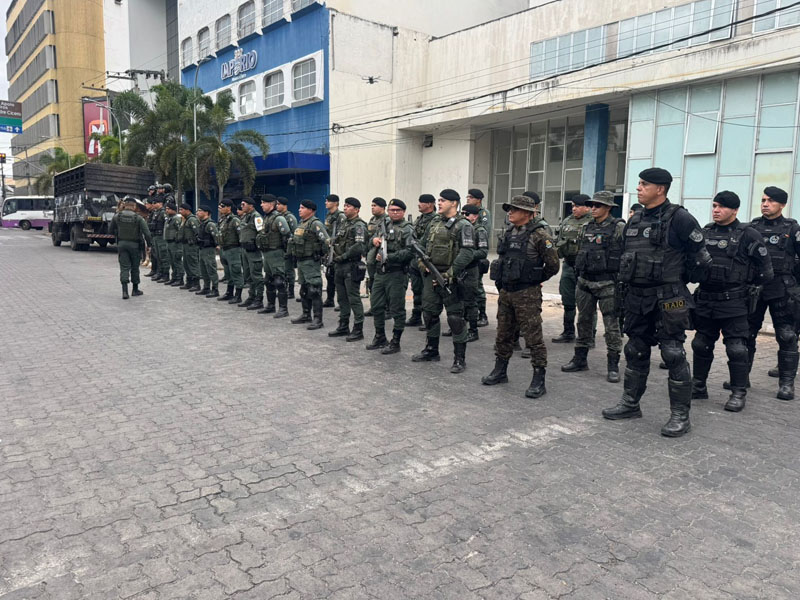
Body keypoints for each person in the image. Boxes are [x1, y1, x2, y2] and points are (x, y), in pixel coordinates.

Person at [602, 168, 710, 438]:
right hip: (637, 296)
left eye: (644, 184)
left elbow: (702, 259)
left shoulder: (680, 218)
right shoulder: (635, 219)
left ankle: (680, 416)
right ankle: (630, 404)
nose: (638, 188)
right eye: (638, 183)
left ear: (660, 189)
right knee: (635, 350)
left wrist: (682, 280)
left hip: (669, 297)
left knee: (672, 353)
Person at [690, 191, 773, 412]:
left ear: (734, 210)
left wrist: (744, 287)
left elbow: (766, 271)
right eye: (714, 205)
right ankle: (698, 386)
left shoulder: (749, 234)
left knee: (736, 348)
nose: (716, 210)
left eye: (722, 207)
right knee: (700, 344)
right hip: (706, 299)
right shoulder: (705, 232)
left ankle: (738, 392)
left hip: (734, 302)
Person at [482, 194, 560, 397]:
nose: (510, 213)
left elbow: (553, 265)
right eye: (509, 209)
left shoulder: (540, 235)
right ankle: (500, 370)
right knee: (503, 333)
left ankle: (538, 379)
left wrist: (534, 278)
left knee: (533, 337)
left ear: (527, 213)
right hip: (507, 291)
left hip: (527, 293)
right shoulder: (508, 233)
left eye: (514, 209)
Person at [561, 191, 625, 383]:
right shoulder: (586, 227)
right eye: (592, 205)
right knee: (583, 321)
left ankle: (613, 365)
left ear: (608, 208)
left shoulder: (618, 227)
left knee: (611, 326)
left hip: (607, 283)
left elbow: (626, 254)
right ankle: (580, 359)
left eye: (597, 205)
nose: (593, 208)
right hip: (585, 281)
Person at [744, 186, 800, 400]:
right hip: (755, 289)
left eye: (771, 201)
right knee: (746, 333)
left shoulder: (793, 228)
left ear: (782, 204)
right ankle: (741, 379)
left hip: (782, 289)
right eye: (763, 199)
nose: (765, 204)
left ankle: (786, 384)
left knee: (786, 336)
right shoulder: (752, 227)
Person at [412, 189, 475, 373]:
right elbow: (421, 245)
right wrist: (421, 264)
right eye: (438, 200)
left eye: (443, 200)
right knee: (430, 314)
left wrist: (450, 274)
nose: (439, 203)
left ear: (454, 203)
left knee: (455, 318)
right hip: (431, 275)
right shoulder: (434, 222)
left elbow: (467, 252)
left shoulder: (464, 225)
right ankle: (431, 350)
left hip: (451, 279)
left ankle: (459, 359)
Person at [366, 199, 414, 354]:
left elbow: (410, 251)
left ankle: (395, 341)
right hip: (380, 273)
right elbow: (370, 240)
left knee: (397, 309)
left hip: (396, 274)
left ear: (403, 212)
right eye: (391, 210)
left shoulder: (408, 229)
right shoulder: (383, 225)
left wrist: (389, 257)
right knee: (376, 305)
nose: (394, 212)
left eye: (397, 210)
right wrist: (373, 240)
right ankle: (380, 337)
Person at [552, 194, 593, 343]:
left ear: (587, 207)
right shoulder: (567, 221)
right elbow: (558, 242)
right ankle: (568, 332)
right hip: (568, 265)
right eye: (573, 206)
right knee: (568, 300)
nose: (574, 208)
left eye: (577, 206)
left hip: (585, 268)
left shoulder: (592, 222)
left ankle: (588, 336)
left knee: (587, 304)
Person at [329, 197, 368, 341]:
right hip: (339, 266)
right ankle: (343, 325)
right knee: (342, 298)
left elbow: (359, 247)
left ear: (357, 210)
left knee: (353, 298)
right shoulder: (343, 224)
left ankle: (358, 329)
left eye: (349, 206)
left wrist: (343, 256)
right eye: (344, 206)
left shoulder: (359, 226)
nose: (345, 208)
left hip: (351, 265)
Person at [288, 200, 330, 329]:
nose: (299, 210)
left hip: (311, 261)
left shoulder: (315, 224)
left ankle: (318, 319)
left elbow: (326, 241)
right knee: (304, 290)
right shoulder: (302, 224)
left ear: (311, 210)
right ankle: (306, 314)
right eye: (300, 207)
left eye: (303, 208)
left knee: (314, 290)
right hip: (301, 261)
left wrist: (320, 255)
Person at [110, 196, 152, 299]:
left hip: (122, 245)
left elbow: (110, 231)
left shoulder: (117, 216)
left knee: (124, 267)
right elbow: (147, 233)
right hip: (135, 246)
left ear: (124, 205)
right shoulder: (138, 218)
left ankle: (124, 292)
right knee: (134, 267)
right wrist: (149, 245)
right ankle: (135, 289)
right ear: (134, 206)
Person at [256, 194, 291, 317]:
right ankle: (270, 305)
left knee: (279, 281)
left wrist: (286, 253)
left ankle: (283, 309)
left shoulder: (278, 219)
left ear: (271, 204)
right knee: (268, 280)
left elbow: (287, 236)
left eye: (263, 202)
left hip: (276, 253)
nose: (261, 205)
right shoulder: (267, 218)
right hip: (267, 253)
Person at [406, 194, 437, 328]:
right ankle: (416, 315)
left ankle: (428, 318)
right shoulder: (419, 219)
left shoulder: (435, 220)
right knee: (416, 289)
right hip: (415, 259)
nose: (419, 204)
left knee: (427, 292)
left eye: (421, 202)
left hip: (426, 259)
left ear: (430, 204)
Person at [461, 203, 489, 342]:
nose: (464, 217)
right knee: (458, 300)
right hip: (460, 269)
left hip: (471, 269)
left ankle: (473, 330)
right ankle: (460, 327)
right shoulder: (462, 228)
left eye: (467, 214)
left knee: (471, 300)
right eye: (462, 214)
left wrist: (467, 256)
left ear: (475, 216)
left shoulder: (479, 230)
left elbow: (483, 252)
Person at [466, 188, 491, 327]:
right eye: (467, 196)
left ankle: (482, 314)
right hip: (467, 254)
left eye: (471, 197)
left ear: (478, 199)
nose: (468, 198)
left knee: (478, 286)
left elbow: (484, 230)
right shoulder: (466, 211)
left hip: (477, 253)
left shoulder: (483, 213)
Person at [237, 197, 265, 310]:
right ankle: (251, 296)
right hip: (245, 250)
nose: (242, 206)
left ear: (251, 206)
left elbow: (262, 233)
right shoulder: (246, 217)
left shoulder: (256, 216)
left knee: (256, 275)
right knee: (248, 275)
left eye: (244, 204)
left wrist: (256, 244)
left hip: (253, 250)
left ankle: (259, 299)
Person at [217, 198, 245, 304]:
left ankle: (238, 295)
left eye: (222, 206)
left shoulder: (235, 220)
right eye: (219, 207)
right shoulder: (223, 220)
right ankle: (229, 292)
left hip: (234, 249)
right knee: (228, 273)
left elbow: (240, 235)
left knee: (236, 272)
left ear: (229, 208)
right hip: (225, 249)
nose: (220, 209)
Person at [364, 197, 388, 316]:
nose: (372, 207)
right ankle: (375, 306)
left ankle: (387, 309)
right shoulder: (372, 220)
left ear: (382, 207)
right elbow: (368, 238)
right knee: (372, 283)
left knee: (383, 284)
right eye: (372, 205)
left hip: (381, 257)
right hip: (371, 257)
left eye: (375, 205)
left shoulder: (387, 220)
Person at [323, 194, 346, 308]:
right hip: (329, 248)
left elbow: (342, 233)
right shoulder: (329, 215)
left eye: (328, 201)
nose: (326, 203)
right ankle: (329, 299)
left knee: (338, 276)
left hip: (338, 249)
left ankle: (342, 302)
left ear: (335, 203)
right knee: (329, 274)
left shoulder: (341, 216)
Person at [195, 205, 220, 297]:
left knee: (211, 269)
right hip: (202, 249)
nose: (197, 213)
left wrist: (217, 245)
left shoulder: (210, 224)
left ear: (206, 213)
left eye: (200, 211)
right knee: (203, 269)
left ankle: (215, 288)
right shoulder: (202, 223)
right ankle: (206, 287)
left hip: (209, 249)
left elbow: (216, 236)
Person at [277, 197, 298, 300]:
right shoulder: (278, 217)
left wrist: (291, 249)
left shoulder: (290, 217)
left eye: (279, 204)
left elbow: (294, 234)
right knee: (283, 270)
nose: (277, 206)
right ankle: (284, 289)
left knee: (289, 270)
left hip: (288, 248)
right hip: (281, 247)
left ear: (284, 205)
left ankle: (291, 291)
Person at [178, 202, 202, 291]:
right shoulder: (185, 219)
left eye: (182, 210)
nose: (180, 211)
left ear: (187, 210)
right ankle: (189, 282)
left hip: (191, 245)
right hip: (185, 245)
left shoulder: (192, 219)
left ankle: (196, 284)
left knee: (193, 264)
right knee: (186, 264)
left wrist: (196, 242)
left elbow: (197, 232)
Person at [163, 199, 185, 286]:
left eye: (168, 209)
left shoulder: (176, 218)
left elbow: (180, 230)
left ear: (173, 210)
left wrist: (177, 239)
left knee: (177, 261)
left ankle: (180, 278)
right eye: (166, 209)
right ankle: (174, 277)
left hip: (175, 243)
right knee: (172, 261)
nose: (166, 210)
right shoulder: (169, 218)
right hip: (169, 243)